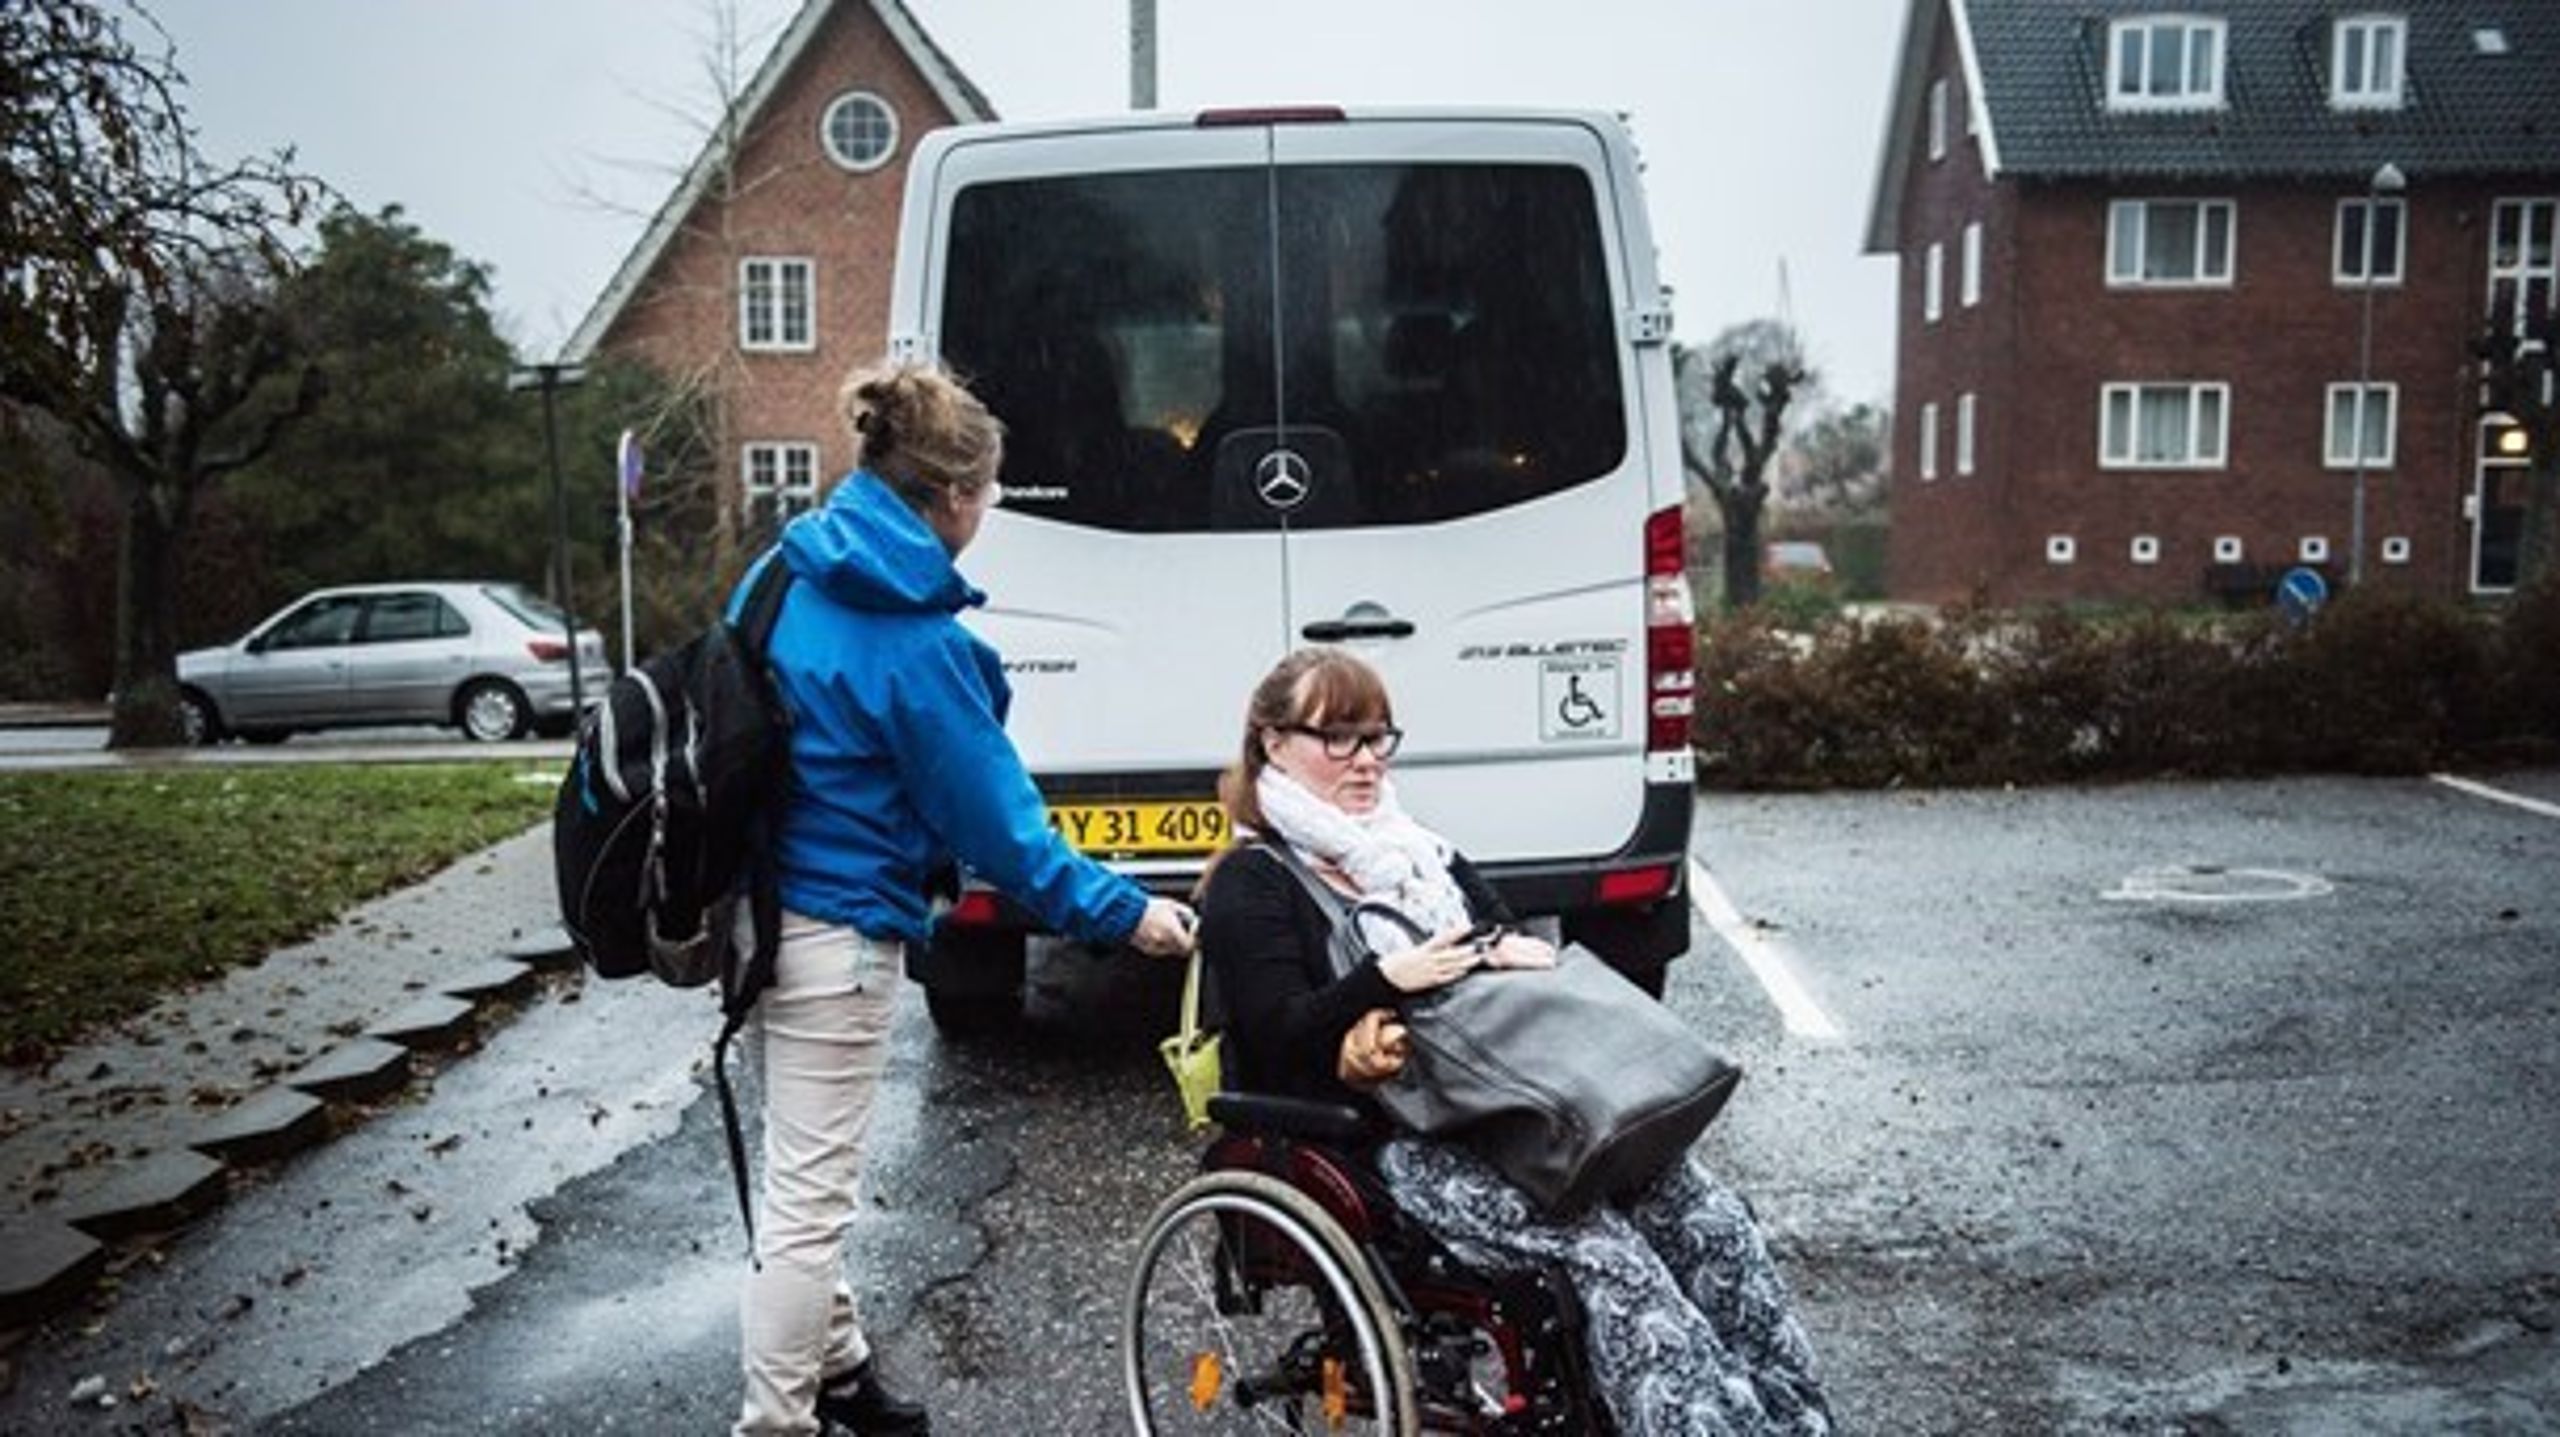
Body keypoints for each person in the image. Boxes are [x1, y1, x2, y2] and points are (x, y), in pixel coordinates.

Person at [731, 359, 1198, 1436]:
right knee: (806, 1204)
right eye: (987, 493)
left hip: (754, 916)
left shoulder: (783, 576)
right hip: (836, 934)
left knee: (798, 1168)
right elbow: (1009, 839)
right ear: (948, 497)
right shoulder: (917, 645)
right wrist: (1130, 915)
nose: (986, 512)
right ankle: (775, 1423)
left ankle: (840, 1368)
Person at [1196, 647, 1831, 1437]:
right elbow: (1279, 1029)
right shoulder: (1252, 880)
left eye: (1378, 738)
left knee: (1707, 1216)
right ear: (1271, 742)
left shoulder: (1415, 851)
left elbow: (1494, 930)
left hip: (1508, 1109)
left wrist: (1493, 947)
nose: (1364, 761)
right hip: (1387, 1138)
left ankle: (1795, 1422)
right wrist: (1386, 978)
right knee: (1607, 1256)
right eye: (1338, 738)